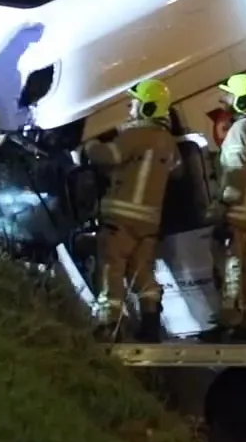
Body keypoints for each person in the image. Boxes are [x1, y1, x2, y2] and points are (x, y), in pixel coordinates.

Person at [76, 79, 180, 342]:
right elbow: (175, 170)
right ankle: (151, 323)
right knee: (142, 271)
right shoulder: (169, 143)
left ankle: (110, 325)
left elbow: (108, 156)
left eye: (135, 103)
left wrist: (89, 146)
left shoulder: (135, 135)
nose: (131, 108)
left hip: (121, 219)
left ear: (148, 108)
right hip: (149, 223)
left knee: (111, 267)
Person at [208, 72, 246, 339]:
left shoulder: (239, 130)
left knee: (232, 268)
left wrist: (222, 207)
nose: (224, 100)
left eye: (229, 96)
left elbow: (235, 172)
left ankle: (230, 323)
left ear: (242, 101)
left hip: (235, 212)